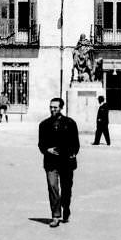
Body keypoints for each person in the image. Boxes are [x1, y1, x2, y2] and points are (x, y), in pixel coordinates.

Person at [38, 97, 80, 228]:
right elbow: (41, 144)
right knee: (53, 187)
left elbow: (76, 144)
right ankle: (55, 216)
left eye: (55, 107)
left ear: (61, 108)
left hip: (66, 162)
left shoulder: (70, 123)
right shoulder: (44, 124)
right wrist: (47, 149)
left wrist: (72, 153)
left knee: (66, 189)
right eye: (51, 107)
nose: (52, 109)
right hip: (51, 162)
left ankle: (66, 208)